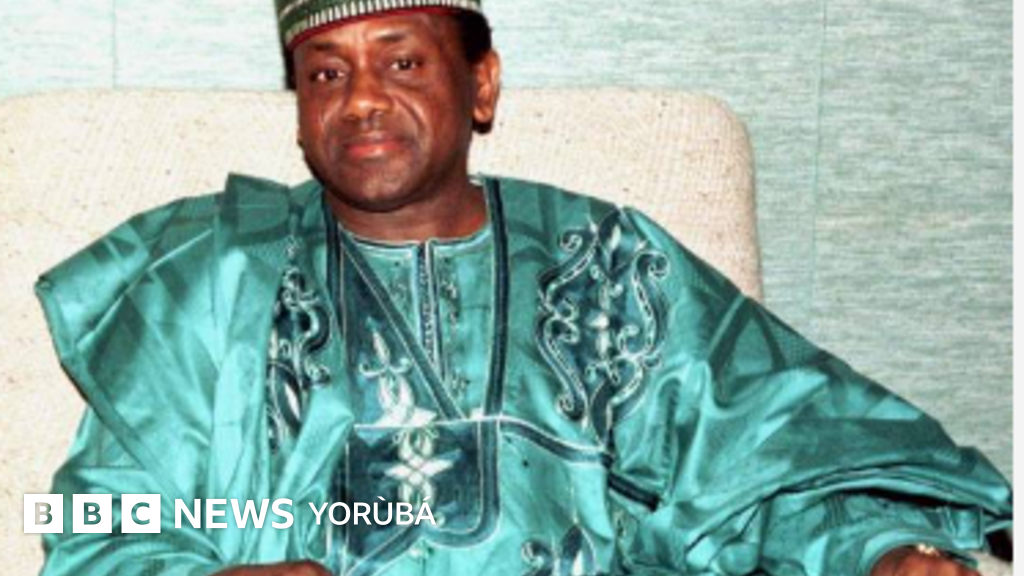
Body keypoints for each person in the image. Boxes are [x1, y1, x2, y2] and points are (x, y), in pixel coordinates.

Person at [35, 1, 1011, 575]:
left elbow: (758, 471)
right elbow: (89, 528)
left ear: (483, 84)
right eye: (325, 75)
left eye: (401, 61)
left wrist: (879, 552)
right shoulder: (208, 279)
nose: (361, 99)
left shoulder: (607, 267)